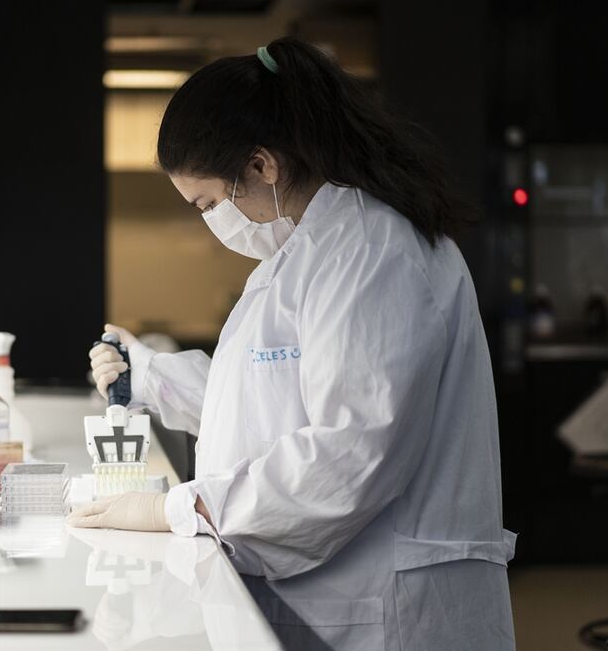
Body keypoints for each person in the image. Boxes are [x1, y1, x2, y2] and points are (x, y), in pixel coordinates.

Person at [69, 37, 516, 650]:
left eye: (208, 203)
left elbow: (350, 451)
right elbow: (269, 400)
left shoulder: (368, 251)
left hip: (391, 608)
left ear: (261, 166)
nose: (211, 221)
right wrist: (148, 377)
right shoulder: (307, 252)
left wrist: (181, 509)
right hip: (341, 596)